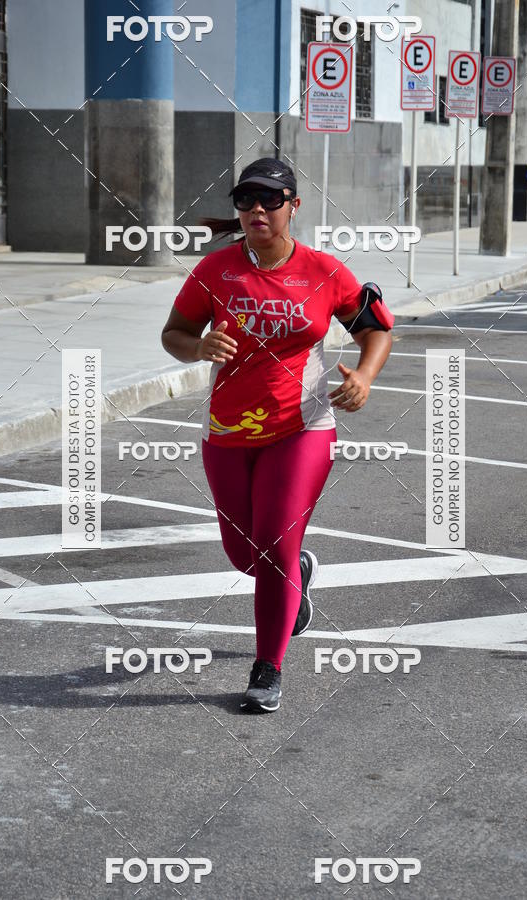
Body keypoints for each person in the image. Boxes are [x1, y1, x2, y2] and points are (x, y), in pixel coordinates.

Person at [161, 157, 393, 713]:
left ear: (294, 205)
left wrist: (363, 375)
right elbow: (174, 333)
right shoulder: (215, 271)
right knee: (244, 555)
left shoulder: (324, 271)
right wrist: (197, 348)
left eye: (270, 199)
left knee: (272, 550)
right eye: (246, 200)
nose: (256, 210)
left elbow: (377, 329)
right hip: (228, 431)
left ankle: (268, 666)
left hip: (302, 428)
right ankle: (299, 573)